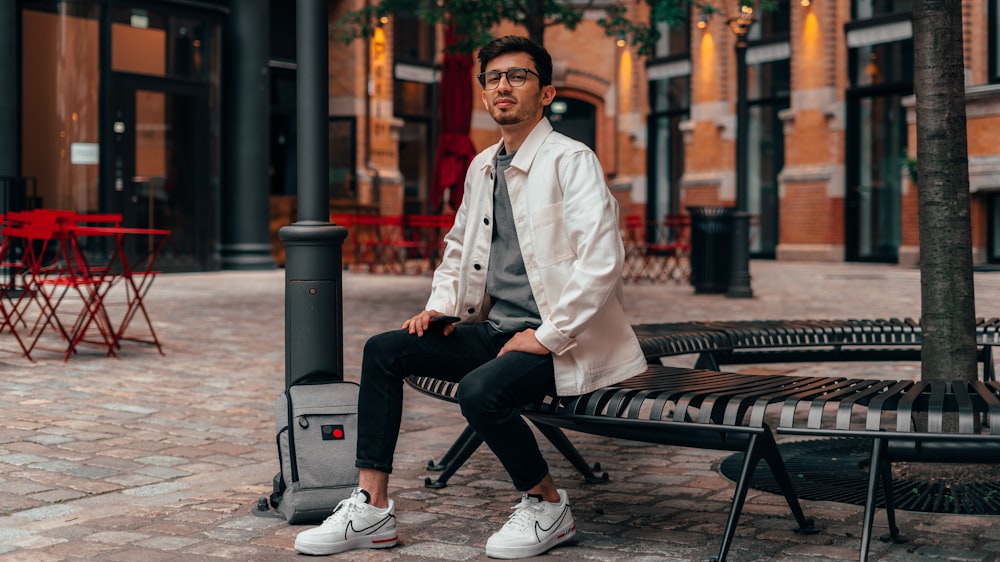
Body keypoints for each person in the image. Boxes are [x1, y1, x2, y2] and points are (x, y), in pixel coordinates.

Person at [294, 34, 646, 559]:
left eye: (518, 76)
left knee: (480, 391)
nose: (504, 86)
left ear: (545, 93)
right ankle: (371, 506)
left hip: (566, 341)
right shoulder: (482, 165)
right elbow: (459, 246)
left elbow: (602, 262)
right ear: (484, 93)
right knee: (384, 350)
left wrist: (546, 336)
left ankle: (549, 507)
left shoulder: (572, 161)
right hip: (498, 331)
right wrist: (440, 307)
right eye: (494, 78)